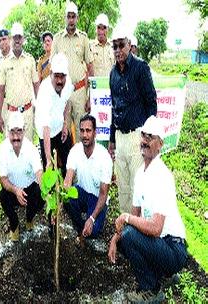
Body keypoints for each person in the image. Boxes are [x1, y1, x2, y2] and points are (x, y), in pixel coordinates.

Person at [108, 115, 188, 303]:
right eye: (143, 135)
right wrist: (114, 238)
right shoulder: (140, 174)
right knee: (124, 239)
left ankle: (151, 289)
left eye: (149, 137)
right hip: (161, 243)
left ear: (160, 144)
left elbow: (155, 228)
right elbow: (136, 216)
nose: (144, 141)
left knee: (128, 235)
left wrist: (126, 218)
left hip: (174, 248)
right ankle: (162, 272)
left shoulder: (162, 176)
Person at [108, 30, 157, 213]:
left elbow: (151, 103)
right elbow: (114, 107)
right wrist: (112, 140)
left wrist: (149, 138)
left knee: (138, 189)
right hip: (120, 137)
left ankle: (137, 233)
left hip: (138, 137)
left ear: (129, 45)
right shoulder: (113, 73)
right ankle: (124, 232)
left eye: (121, 45)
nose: (118, 50)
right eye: (115, 46)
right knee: (123, 189)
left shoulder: (140, 68)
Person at [64, 114, 112, 242]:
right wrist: (58, 204)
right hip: (82, 194)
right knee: (67, 197)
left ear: (95, 133)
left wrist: (91, 218)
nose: (85, 135)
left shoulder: (104, 157)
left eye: (88, 131)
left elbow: (103, 194)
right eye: (82, 130)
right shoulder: (75, 151)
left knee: (93, 232)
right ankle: (81, 227)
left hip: (98, 200)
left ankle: (88, 222)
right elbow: (68, 180)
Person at [0, 112, 44, 241]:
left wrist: (46, 191)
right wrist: (16, 190)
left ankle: (29, 218)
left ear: (24, 131)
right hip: (12, 189)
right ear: (7, 132)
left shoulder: (31, 149)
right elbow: (3, 179)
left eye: (19, 131)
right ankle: (14, 223)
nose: (16, 136)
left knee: (40, 196)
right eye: (12, 132)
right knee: (2, 196)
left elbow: (39, 172)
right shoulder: (2, 149)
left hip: (29, 188)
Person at [51, 1, 94, 141]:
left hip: (79, 92)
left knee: (83, 132)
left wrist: (90, 96)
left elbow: (90, 67)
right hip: (62, 93)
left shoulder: (84, 38)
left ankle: (82, 162)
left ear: (77, 18)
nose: (71, 20)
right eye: (68, 16)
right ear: (65, 18)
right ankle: (65, 163)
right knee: (62, 132)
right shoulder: (57, 39)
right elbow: (52, 69)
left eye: (73, 16)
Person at [0, 22, 40, 141]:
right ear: (11, 39)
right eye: (15, 37)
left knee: (28, 146)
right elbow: (0, 90)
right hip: (10, 112)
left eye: (19, 37)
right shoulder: (4, 63)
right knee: (11, 149)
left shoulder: (30, 60)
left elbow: (36, 85)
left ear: (23, 39)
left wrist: (40, 109)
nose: (17, 40)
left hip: (27, 112)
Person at [35, 53, 73, 177]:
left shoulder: (68, 84)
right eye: (56, 76)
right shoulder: (44, 91)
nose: (59, 80)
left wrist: (65, 125)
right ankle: (50, 193)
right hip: (45, 133)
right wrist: (49, 160)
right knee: (48, 170)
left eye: (62, 76)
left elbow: (67, 102)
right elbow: (46, 128)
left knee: (68, 163)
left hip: (59, 126)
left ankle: (66, 190)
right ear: (50, 73)